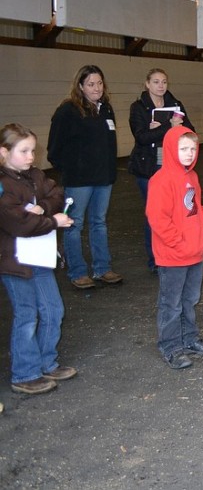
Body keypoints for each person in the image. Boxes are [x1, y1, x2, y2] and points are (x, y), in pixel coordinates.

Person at [0, 124, 77, 395]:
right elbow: (16, 223)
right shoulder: (3, 184)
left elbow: (57, 193)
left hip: (41, 254)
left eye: (33, 150)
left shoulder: (34, 175)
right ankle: (25, 372)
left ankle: (47, 361)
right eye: (24, 151)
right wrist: (51, 220)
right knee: (27, 314)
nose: (31, 157)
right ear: (4, 152)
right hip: (15, 261)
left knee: (53, 310)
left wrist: (42, 207)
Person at [146, 126, 203, 369]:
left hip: (194, 252)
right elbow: (157, 219)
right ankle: (171, 346)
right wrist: (177, 242)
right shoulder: (161, 180)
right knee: (171, 304)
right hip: (174, 255)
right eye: (183, 149)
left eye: (192, 148)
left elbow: (194, 208)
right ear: (170, 150)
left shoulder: (192, 178)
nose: (189, 153)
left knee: (190, 299)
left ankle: (189, 338)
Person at [47, 64, 122, 290]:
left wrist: (110, 170)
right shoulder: (68, 111)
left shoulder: (106, 108)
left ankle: (102, 268)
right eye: (91, 84)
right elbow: (54, 149)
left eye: (99, 83)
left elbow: (110, 143)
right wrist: (71, 169)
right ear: (80, 86)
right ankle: (77, 271)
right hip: (79, 180)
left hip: (103, 178)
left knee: (99, 223)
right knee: (74, 224)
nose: (96, 88)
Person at [128, 68, 195, 274]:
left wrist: (168, 127)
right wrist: (168, 126)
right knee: (155, 215)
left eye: (164, 82)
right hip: (148, 167)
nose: (160, 86)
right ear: (147, 84)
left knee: (176, 212)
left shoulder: (176, 105)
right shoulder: (138, 108)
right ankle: (155, 260)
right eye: (156, 82)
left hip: (171, 165)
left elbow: (191, 132)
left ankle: (176, 254)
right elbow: (141, 137)